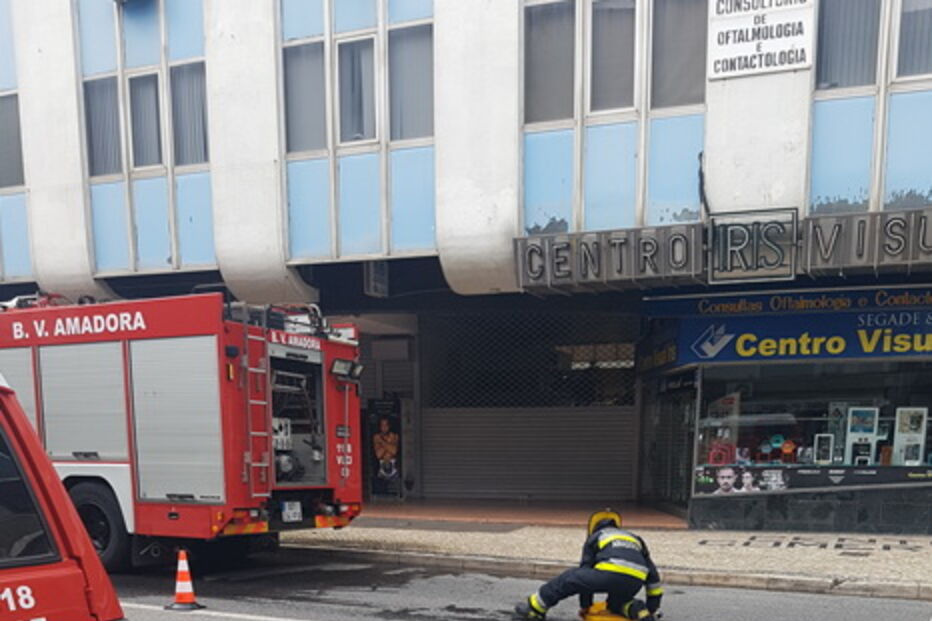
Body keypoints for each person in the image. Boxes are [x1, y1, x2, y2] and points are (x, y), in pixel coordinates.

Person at [514, 510, 662, 621]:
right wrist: (652, 607)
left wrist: (586, 606)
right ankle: (640, 613)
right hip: (634, 580)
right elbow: (653, 577)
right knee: (617, 604)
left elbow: (585, 569)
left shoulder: (596, 537)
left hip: (608, 573)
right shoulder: (635, 539)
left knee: (569, 578)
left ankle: (534, 609)